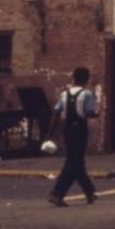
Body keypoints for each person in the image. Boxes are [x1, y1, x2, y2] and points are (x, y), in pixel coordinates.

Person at [46, 67, 98, 206]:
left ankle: (90, 192)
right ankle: (57, 193)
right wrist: (96, 114)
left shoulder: (64, 94)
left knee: (76, 160)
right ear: (87, 79)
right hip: (80, 129)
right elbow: (89, 112)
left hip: (67, 129)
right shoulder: (87, 94)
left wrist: (49, 134)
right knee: (73, 161)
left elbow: (56, 113)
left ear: (73, 78)